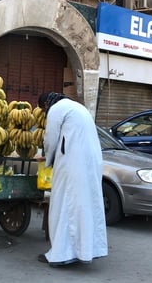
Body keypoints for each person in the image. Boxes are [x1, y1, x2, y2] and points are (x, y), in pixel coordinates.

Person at [37, 92, 108, 267]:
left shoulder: (56, 109)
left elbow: (51, 138)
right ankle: (86, 251)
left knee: (63, 205)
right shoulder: (78, 107)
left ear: (47, 104)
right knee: (84, 204)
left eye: (43, 108)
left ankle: (60, 254)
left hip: (72, 161)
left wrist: (46, 157)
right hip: (90, 160)